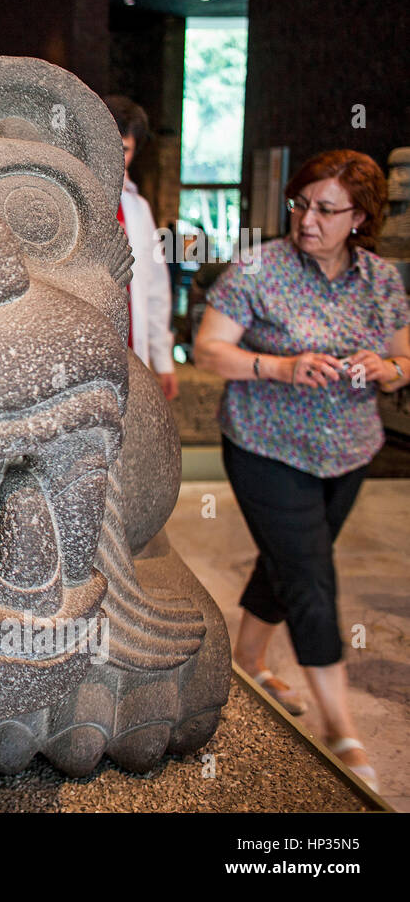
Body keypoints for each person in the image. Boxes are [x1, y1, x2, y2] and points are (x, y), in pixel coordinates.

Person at [194, 149, 410, 794]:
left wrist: (389, 370)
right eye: (300, 205)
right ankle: (342, 730)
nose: (306, 219)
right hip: (266, 446)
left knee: (287, 561)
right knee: (312, 577)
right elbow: (209, 349)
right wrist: (280, 367)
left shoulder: (382, 280)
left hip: (349, 450)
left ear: (360, 217)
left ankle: (249, 660)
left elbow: (405, 357)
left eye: (325, 209)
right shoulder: (258, 268)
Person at [104, 95, 178, 400]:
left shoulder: (137, 207)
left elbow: (155, 289)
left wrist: (163, 360)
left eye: (123, 150)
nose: (113, 156)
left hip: (132, 351)